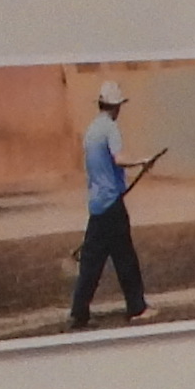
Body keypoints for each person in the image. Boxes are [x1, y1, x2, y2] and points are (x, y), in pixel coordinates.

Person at [69, 79, 159, 328]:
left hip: (98, 203)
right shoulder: (110, 128)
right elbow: (118, 159)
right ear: (115, 106)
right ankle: (137, 308)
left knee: (92, 262)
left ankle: (79, 311)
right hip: (111, 203)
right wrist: (142, 162)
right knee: (125, 258)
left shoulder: (91, 130)